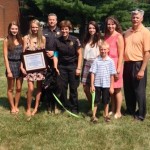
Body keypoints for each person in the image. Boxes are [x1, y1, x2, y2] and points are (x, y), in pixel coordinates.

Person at [123, 9, 150, 121]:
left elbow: (147, 53)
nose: (134, 19)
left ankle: (141, 114)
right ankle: (130, 109)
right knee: (128, 89)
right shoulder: (128, 32)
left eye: (137, 17)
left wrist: (142, 70)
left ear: (141, 18)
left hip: (138, 64)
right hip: (127, 64)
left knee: (139, 91)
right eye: (133, 17)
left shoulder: (145, 32)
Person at [53, 20, 82, 114]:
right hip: (62, 67)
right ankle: (64, 106)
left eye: (66, 29)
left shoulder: (75, 40)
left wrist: (78, 68)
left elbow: (80, 54)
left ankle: (74, 108)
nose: (64, 31)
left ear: (69, 29)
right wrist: (55, 67)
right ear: (60, 30)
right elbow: (56, 54)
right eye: (62, 29)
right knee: (62, 88)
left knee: (73, 88)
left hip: (73, 67)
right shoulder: (57, 40)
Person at [21, 19, 46, 116]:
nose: (35, 29)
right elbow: (23, 53)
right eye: (33, 27)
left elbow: (43, 53)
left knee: (39, 88)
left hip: (40, 67)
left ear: (39, 27)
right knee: (31, 88)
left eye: (36, 27)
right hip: (29, 67)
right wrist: (22, 66)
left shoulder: (42, 38)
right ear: (30, 28)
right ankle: (28, 108)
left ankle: (35, 108)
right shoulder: (26, 38)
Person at [90, 41, 116, 123]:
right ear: (99, 50)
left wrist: (111, 86)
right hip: (97, 84)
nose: (103, 51)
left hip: (106, 85)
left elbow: (112, 75)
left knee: (106, 100)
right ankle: (93, 115)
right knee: (96, 100)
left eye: (105, 49)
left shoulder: (111, 61)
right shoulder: (96, 60)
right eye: (101, 49)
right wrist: (92, 85)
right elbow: (92, 73)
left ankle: (106, 115)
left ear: (108, 50)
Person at [104, 16, 124, 119]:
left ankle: (118, 111)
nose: (110, 26)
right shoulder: (106, 35)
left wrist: (118, 68)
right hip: (107, 65)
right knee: (110, 89)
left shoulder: (119, 36)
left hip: (116, 64)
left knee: (117, 89)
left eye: (112, 24)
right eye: (108, 24)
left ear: (115, 25)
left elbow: (121, 54)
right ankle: (112, 109)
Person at [3, 21, 23, 114]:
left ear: (18, 29)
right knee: (10, 89)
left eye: (16, 29)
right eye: (12, 29)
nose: (14, 30)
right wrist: (9, 70)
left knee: (19, 88)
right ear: (9, 29)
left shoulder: (21, 39)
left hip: (20, 65)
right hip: (11, 64)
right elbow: (5, 57)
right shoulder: (6, 40)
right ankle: (12, 107)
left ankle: (16, 105)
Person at [81, 21, 101, 113]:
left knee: (93, 87)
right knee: (85, 87)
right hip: (85, 64)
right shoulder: (86, 39)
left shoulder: (99, 41)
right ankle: (91, 104)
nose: (91, 30)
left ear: (96, 29)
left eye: (93, 28)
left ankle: (94, 107)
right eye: (90, 28)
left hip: (95, 63)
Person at [42, 13, 60, 114]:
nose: (51, 21)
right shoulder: (43, 32)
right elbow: (40, 47)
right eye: (50, 19)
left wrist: (54, 53)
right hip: (45, 61)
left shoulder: (60, 32)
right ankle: (47, 105)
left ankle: (56, 105)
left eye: (53, 19)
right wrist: (46, 52)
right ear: (48, 20)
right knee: (46, 84)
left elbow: (62, 46)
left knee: (57, 84)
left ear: (56, 21)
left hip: (57, 61)